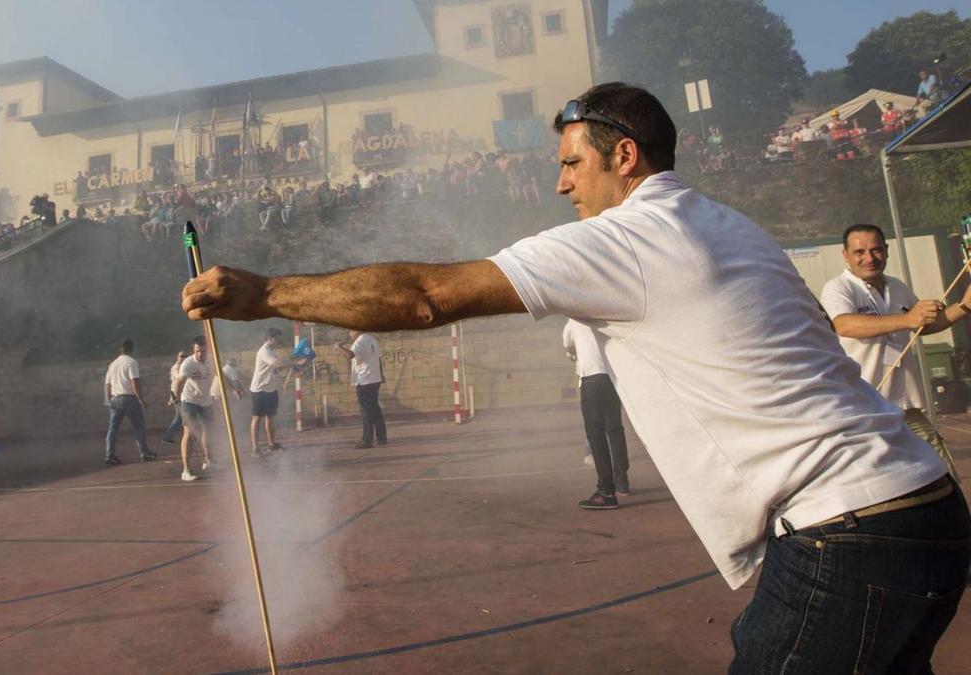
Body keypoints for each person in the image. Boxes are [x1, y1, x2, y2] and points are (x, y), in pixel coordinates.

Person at [181, 82, 969, 672]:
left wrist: (267, 294)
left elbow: (424, 298)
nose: (561, 185)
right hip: (925, 504)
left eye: (571, 163)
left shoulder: (629, 236)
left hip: (847, 530)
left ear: (624, 156)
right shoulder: (728, 223)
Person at [819, 224, 964, 482]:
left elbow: (925, 326)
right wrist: (908, 318)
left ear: (886, 251)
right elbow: (844, 325)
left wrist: (964, 305)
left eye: (876, 250)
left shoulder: (896, 286)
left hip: (907, 406)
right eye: (859, 252)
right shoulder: (838, 288)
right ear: (845, 255)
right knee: (881, 483)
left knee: (943, 473)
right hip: (864, 409)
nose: (869, 258)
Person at [563, 319, 630, 509]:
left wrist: (573, 353)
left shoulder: (573, 321)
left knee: (596, 435)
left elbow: (568, 348)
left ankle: (606, 491)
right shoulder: (605, 316)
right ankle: (622, 483)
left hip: (591, 378)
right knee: (615, 430)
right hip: (612, 378)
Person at [103, 339, 158, 465]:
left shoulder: (112, 364)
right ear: (131, 349)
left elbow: (107, 384)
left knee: (113, 429)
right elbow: (135, 381)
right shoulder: (132, 362)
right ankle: (144, 453)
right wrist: (141, 399)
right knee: (138, 426)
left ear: (120, 350)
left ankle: (110, 455)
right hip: (129, 398)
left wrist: (108, 400)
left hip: (115, 398)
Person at [173, 336, 220, 481]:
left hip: (205, 400)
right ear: (194, 350)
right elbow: (179, 381)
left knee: (209, 429)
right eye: (197, 351)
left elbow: (222, 375)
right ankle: (186, 470)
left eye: (203, 351)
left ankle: (209, 461)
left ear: (207, 350)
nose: (200, 354)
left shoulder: (212, 360)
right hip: (189, 400)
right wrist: (175, 397)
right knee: (190, 433)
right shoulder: (188, 363)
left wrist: (235, 389)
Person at [335, 329, 386, 449]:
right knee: (375, 409)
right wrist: (381, 375)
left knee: (366, 412)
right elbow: (378, 359)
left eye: (350, 331)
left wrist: (338, 347)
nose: (349, 334)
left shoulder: (360, 341)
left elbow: (350, 355)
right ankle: (382, 437)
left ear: (356, 331)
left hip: (364, 381)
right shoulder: (372, 339)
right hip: (374, 379)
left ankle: (367, 440)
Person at [249, 328, 289, 456]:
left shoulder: (272, 350)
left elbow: (274, 369)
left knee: (270, 417)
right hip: (259, 389)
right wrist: (294, 363)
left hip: (270, 389)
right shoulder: (264, 351)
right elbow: (277, 364)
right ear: (270, 338)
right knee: (257, 418)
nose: (278, 341)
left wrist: (292, 366)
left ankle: (272, 444)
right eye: (277, 338)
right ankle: (255, 448)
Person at [163, 350, 190, 446]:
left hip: (181, 394)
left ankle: (168, 436)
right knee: (180, 417)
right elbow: (178, 379)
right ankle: (167, 436)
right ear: (177, 357)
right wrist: (174, 397)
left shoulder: (184, 367)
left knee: (180, 417)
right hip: (176, 395)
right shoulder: (176, 367)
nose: (183, 358)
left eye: (185, 356)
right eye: (181, 356)